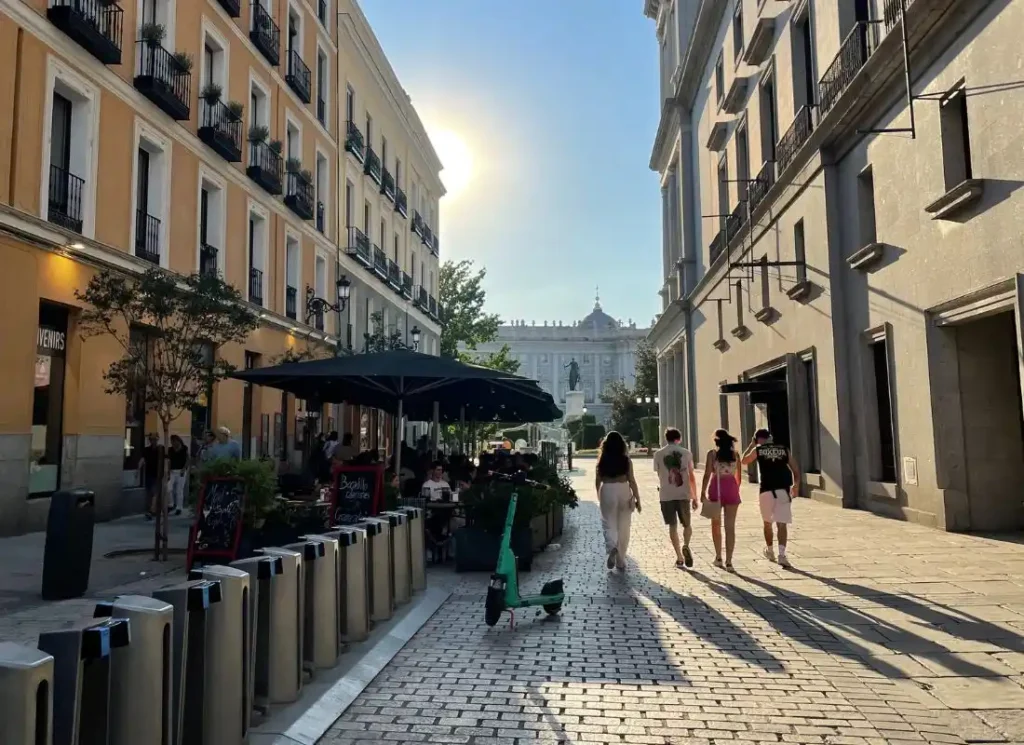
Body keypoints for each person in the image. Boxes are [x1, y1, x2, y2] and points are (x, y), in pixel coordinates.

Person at [742, 428, 800, 567]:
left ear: (757, 439)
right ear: (770, 437)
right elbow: (795, 469)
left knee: (767, 523)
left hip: (766, 490)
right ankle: (782, 554)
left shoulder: (759, 449)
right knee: (782, 524)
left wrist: (751, 445)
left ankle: (770, 550)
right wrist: (796, 485)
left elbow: (744, 460)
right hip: (783, 490)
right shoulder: (784, 449)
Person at [653, 427, 698, 568]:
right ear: (679, 439)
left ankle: (679, 556)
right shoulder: (686, 453)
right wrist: (695, 496)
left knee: (672, 526)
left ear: (666, 438)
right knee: (687, 524)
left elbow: (658, 473)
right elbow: (691, 476)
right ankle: (686, 545)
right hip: (683, 493)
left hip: (666, 494)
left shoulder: (658, 454)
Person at [595, 431, 640, 571]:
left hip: (607, 489)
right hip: (623, 489)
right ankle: (621, 559)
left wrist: (599, 495)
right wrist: (638, 498)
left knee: (609, 523)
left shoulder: (602, 459)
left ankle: (612, 546)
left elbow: (598, 480)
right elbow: (632, 480)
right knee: (624, 526)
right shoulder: (626, 460)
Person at [699, 429, 742, 572]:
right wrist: (736, 489)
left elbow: (706, 474)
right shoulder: (735, 455)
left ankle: (718, 556)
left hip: (716, 488)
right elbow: (738, 476)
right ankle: (729, 561)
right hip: (731, 488)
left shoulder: (712, 454)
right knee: (730, 527)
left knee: (716, 525)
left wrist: (702, 492)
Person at [140, 433, 165, 519]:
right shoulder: (146, 450)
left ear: (157, 440)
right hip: (149, 474)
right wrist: (137, 469)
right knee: (149, 493)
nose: (153, 441)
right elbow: (143, 459)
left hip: (158, 475)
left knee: (155, 493)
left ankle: (152, 510)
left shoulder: (161, 449)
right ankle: (152, 509)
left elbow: (166, 460)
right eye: (151, 439)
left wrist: (166, 472)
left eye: (155, 439)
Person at [166, 435, 189, 515]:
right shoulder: (170, 450)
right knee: (169, 488)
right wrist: (168, 472)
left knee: (179, 490)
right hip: (172, 471)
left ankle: (179, 507)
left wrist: (184, 469)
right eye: (172, 441)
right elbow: (169, 461)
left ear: (178, 441)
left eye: (174, 441)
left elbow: (187, 459)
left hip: (181, 471)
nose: (173, 443)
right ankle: (171, 504)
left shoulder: (184, 448)